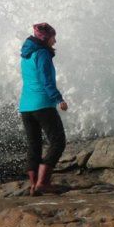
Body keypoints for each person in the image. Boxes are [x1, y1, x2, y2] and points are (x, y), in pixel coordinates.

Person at [19, 22, 68, 196]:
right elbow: (46, 79)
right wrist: (58, 98)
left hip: (25, 107)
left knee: (34, 146)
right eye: (53, 37)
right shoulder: (42, 54)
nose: (55, 41)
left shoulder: (26, 55)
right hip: (43, 105)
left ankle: (34, 186)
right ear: (45, 38)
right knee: (58, 142)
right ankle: (43, 183)